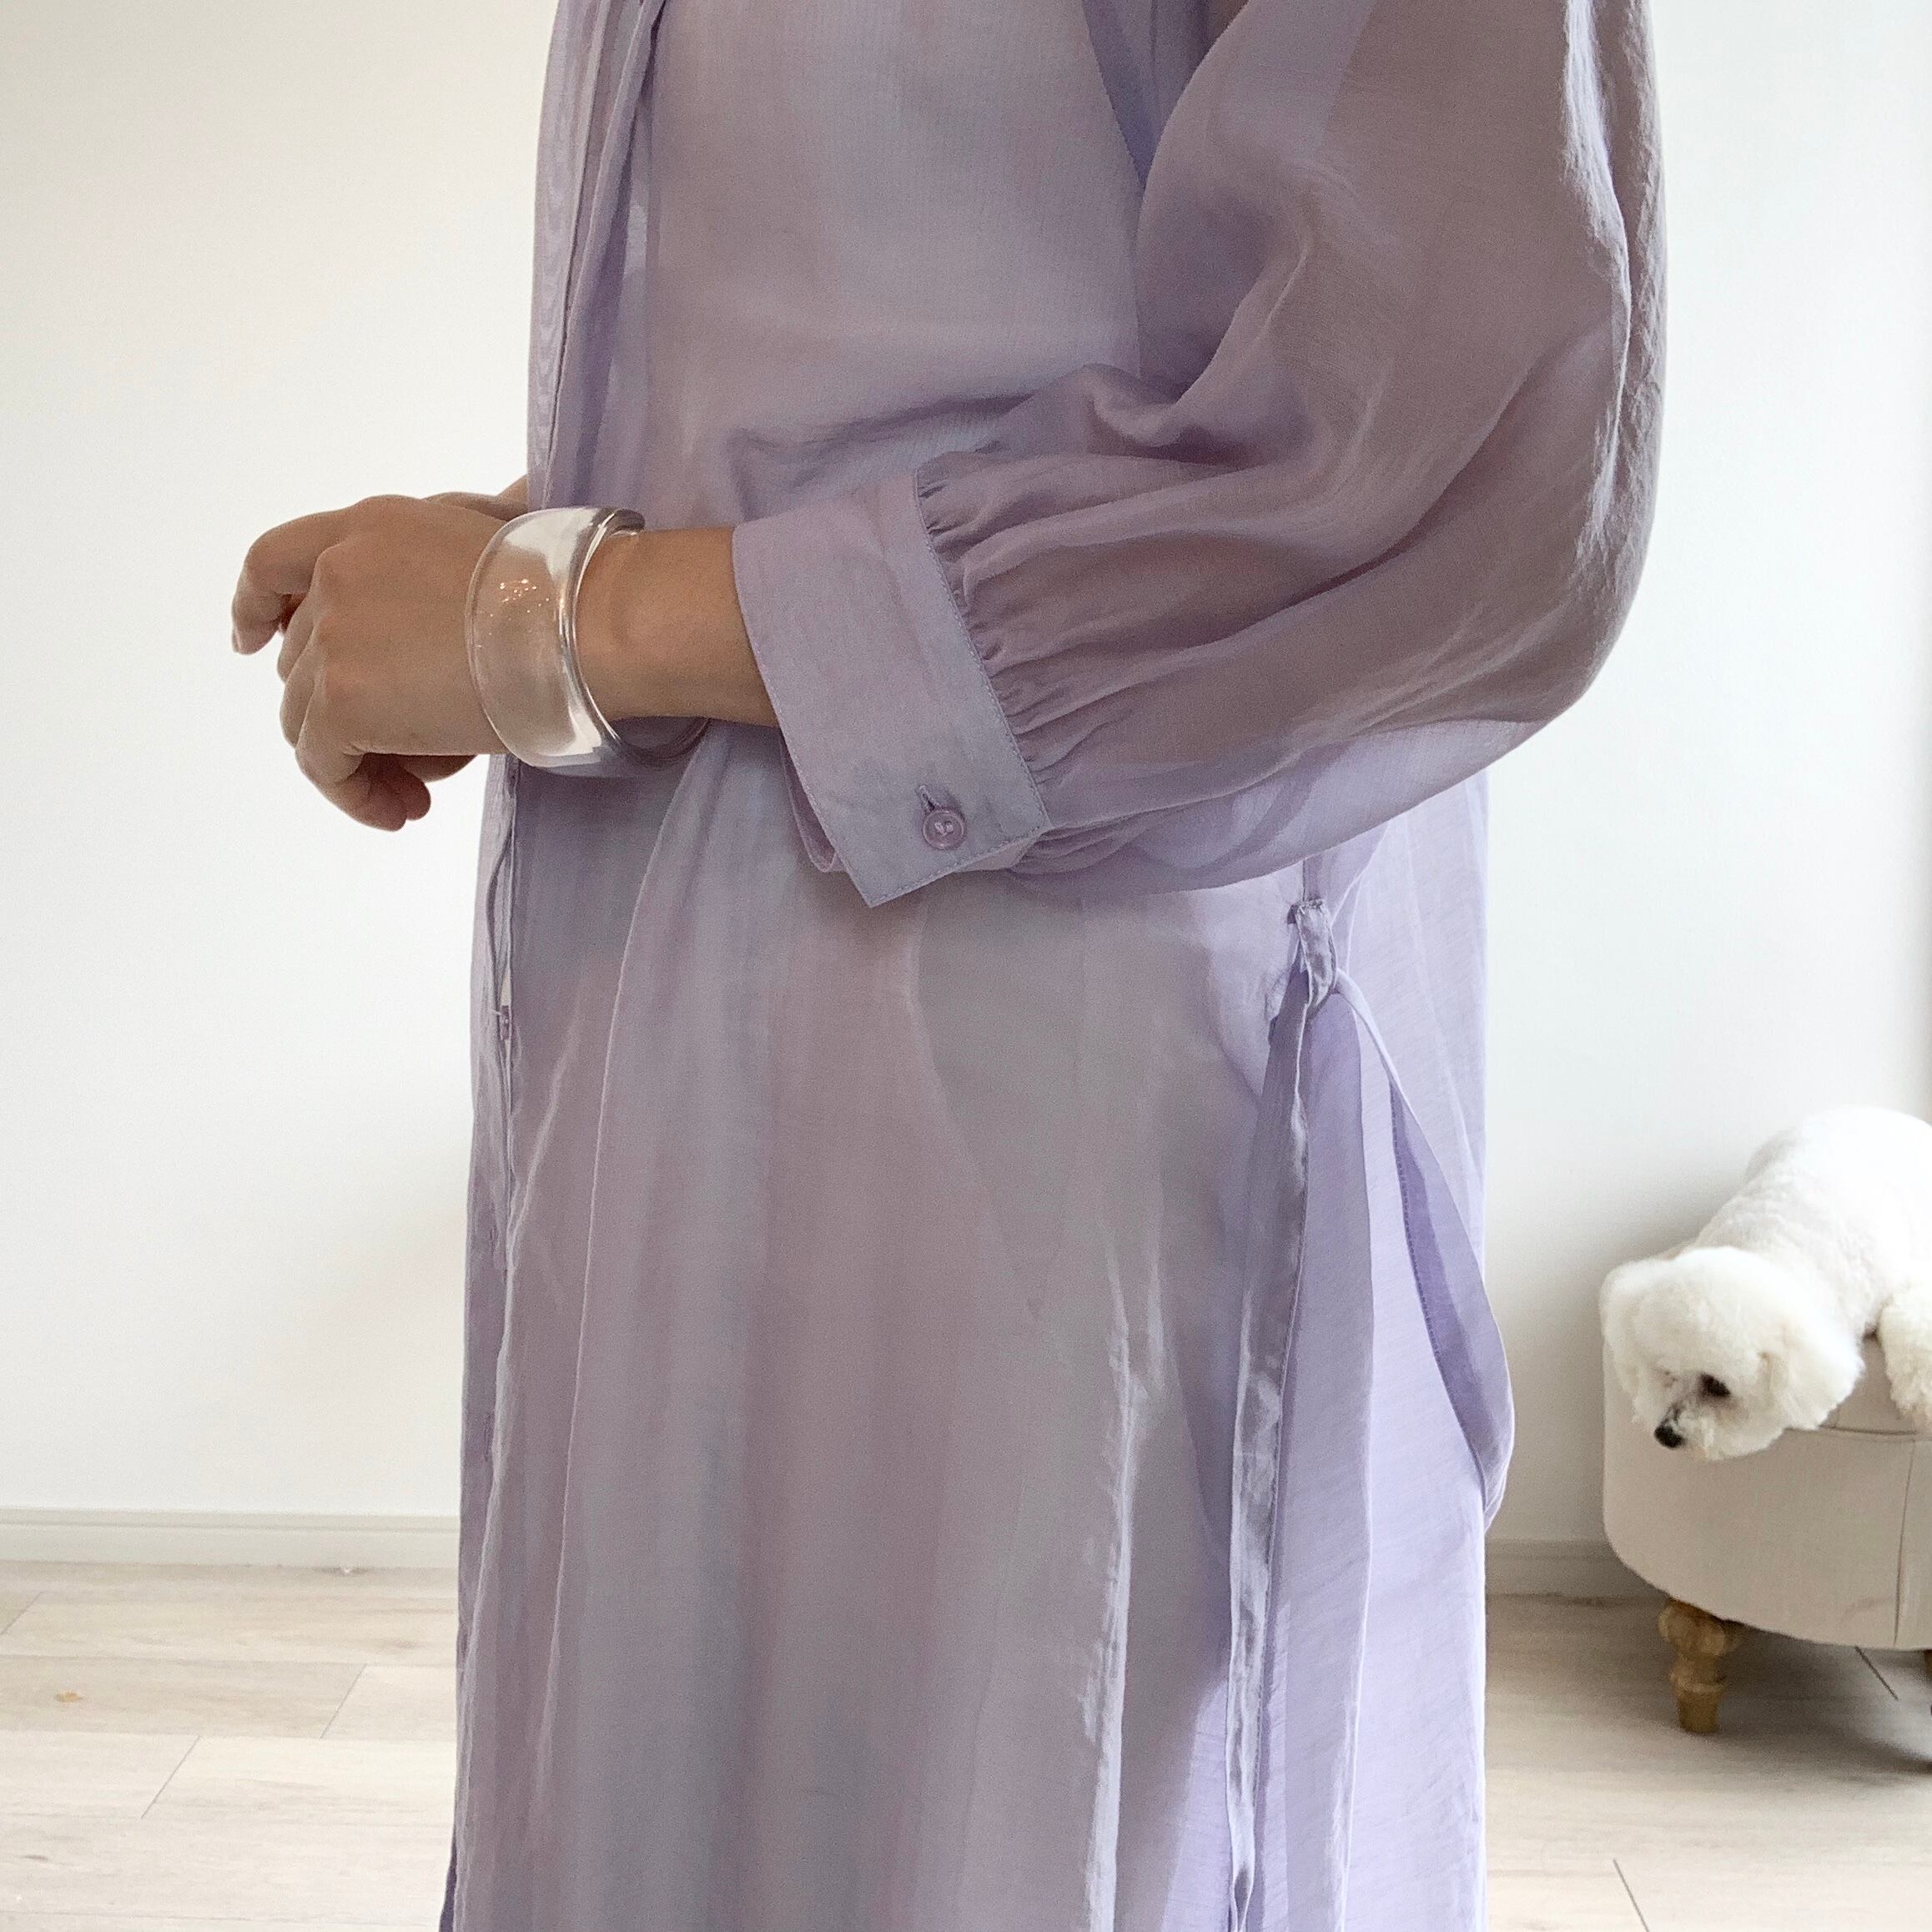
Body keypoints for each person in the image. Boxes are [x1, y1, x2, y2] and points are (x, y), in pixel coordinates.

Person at [230, 0, 1663, 1925]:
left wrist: (553, 619)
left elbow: (1444, 466)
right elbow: (892, 347)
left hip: (1038, 1099)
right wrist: (512, 575)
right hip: (657, 1060)